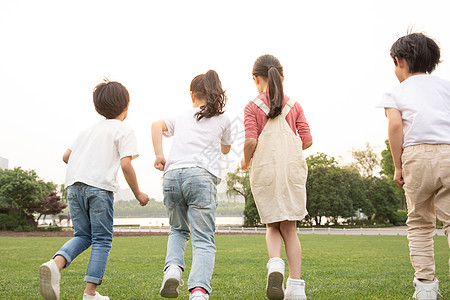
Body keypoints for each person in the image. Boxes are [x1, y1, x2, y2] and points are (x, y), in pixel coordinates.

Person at [39, 79, 150, 300]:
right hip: (99, 188)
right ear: (126, 107)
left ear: (98, 107)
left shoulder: (87, 131)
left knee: (83, 235)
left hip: (73, 187)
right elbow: (126, 164)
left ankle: (55, 264)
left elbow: (65, 157)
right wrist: (138, 193)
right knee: (102, 239)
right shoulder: (124, 130)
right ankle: (90, 293)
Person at [378, 32, 450, 300]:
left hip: (416, 156)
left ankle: (426, 288)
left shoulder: (395, 92)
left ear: (399, 61)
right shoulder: (446, 87)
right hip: (448, 152)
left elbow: (395, 126)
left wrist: (398, 167)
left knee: (420, 223)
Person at [151, 70, 232, 300]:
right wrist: (221, 146)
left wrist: (159, 155)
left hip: (172, 176)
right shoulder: (223, 119)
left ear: (192, 95)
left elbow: (156, 125)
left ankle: (173, 269)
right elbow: (226, 148)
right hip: (200, 177)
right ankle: (198, 291)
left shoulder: (183, 117)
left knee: (177, 230)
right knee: (203, 238)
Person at [241, 54, 313, 300]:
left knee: (272, 224)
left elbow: (251, 140)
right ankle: (296, 288)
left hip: (266, 170)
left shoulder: (252, 106)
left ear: (255, 78)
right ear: (281, 77)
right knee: (290, 228)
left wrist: (245, 160)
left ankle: (275, 264)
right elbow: (307, 140)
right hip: (291, 170)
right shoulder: (295, 105)